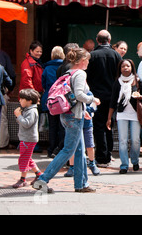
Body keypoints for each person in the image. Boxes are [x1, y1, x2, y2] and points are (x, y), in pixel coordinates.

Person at [33, 48, 100, 193]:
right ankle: (42, 180)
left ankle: (81, 184)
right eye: (87, 60)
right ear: (82, 61)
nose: (88, 62)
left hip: (67, 114)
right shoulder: (81, 73)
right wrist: (92, 99)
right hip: (74, 116)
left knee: (80, 150)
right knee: (68, 150)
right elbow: (80, 95)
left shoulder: (68, 72)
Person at [86, 30, 121, 168]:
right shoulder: (116, 55)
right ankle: (108, 153)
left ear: (97, 40)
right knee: (109, 124)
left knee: (99, 126)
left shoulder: (92, 56)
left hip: (96, 97)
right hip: (112, 96)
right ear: (110, 39)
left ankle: (102, 156)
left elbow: (87, 76)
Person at [107, 59, 142, 174]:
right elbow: (113, 101)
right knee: (123, 140)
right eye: (123, 66)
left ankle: (135, 160)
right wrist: (109, 118)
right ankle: (124, 165)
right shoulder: (117, 82)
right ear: (120, 69)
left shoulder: (137, 81)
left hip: (135, 114)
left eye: (128, 66)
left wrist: (139, 96)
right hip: (122, 113)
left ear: (132, 68)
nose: (125, 68)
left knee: (135, 140)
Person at [65, 91, 100, 177]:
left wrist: (85, 110)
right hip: (73, 123)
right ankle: (72, 167)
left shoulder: (89, 94)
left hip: (87, 124)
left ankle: (92, 163)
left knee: (90, 145)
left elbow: (93, 108)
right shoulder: (71, 93)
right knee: (72, 146)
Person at [12, 88, 42, 188]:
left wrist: (19, 116)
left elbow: (26, 124)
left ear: (29, 101)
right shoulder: (28, 109)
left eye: (22, 99)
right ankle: (38, 174)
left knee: (24, 159)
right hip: (26, 138)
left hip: (28, 139)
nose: (20, 101)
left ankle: (23, 179)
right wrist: (19, 116)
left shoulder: (32, 111)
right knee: (28, 158)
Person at [41, 46, 65, 158]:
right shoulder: (65, 67)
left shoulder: (47, 68)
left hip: (50, 99)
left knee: (52, 126)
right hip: (62, 100)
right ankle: (59, 150)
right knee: (62, 126)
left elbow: (43, 84)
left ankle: (51, 150)